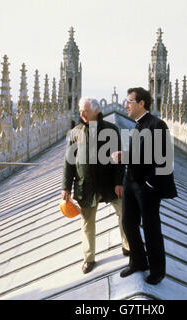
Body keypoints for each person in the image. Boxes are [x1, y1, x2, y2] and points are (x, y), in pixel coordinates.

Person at [112, 87, 177, 285]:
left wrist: (149, 183)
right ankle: (138, 262)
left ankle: (157, 271)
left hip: (145, 185)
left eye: (129, 101)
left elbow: (160, 158)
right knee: (128, 223)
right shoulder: (137, 125)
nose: (126, 105)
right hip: (130, 182)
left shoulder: (157, 125)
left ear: (141, 103)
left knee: (151, 228)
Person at [62, 97, 130, 274]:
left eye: (85, 110)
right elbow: (68, 163)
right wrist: (66, 188)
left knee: (125, 213)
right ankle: (89, 258)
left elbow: (119, 160)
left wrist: (118, 182)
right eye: (80, 110)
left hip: (109, 184)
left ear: (96, 111)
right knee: (87, 222)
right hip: (87, 185)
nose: (81, 114)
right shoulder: (75, 132)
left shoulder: (111, 130)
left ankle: (128, 246)